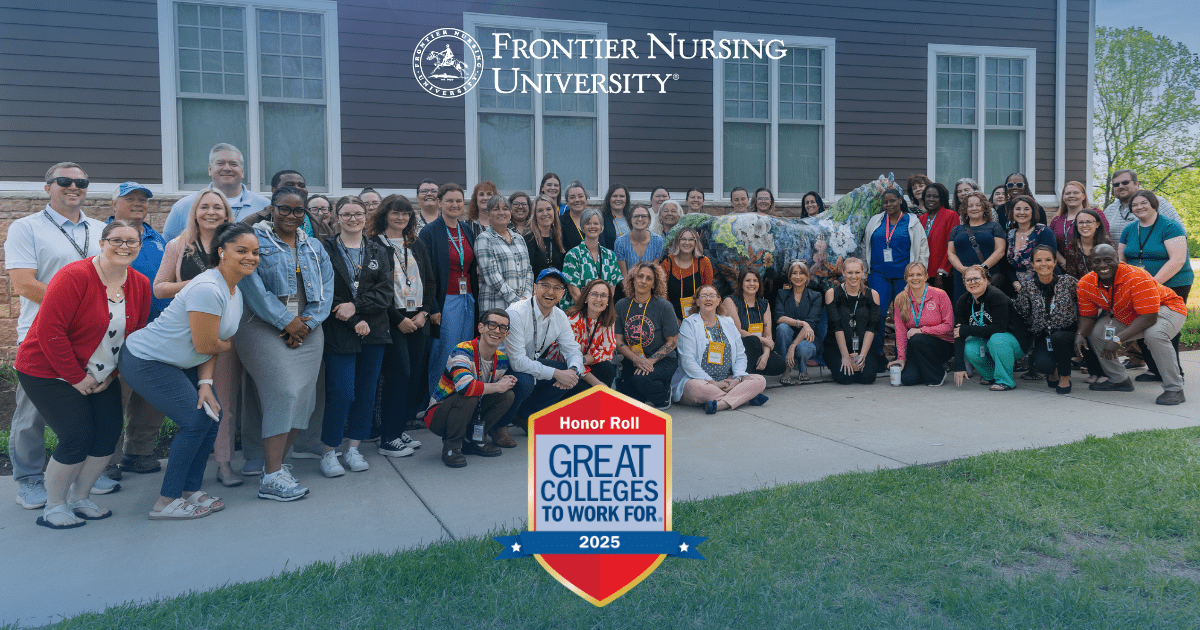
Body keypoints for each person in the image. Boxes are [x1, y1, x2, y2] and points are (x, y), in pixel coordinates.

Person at [14, 220, 151, 528]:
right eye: (116, 240)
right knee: (76, 436)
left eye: (132, 241)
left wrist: (111, 375)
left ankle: (81, 498)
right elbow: (51, 331)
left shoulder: (140, 283)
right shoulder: (74, 276)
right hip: (48, 370)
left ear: (139, 248)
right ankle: (55, 506)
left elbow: (135, 335)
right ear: (102, 243)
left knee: (106, 435)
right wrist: (76, 377)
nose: (124, 246)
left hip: (102, 375)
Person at [120, 222, 257, 520]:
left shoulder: (234, 290)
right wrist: (224, 346)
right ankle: (165, 502)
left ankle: (188, 491)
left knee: (212, 414)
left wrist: (206, 382)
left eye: (255, 252)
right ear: (221, 252)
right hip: (145, 358)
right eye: (241, 250)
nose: (251, 257)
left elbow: (212, 343)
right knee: (195, 421)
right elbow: (208, 342)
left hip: (177, 361)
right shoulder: (208, 288)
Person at [6, 162, 110, 509]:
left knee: (92, 405)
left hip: (93, 339)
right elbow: (23, 283)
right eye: (64, 181)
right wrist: (77, 306)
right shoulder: (27, 228)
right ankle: (30, 480)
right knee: (32, 413)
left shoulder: (100, 229)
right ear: (47, 186)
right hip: (40, 335)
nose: (73, 186)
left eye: (82, 182)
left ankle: (85, 475)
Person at [236, 186, 333, 501]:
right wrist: (286, 322)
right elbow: (251, 287)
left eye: (298, 210)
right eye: (284, 209)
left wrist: (306, 323)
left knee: (303, 400)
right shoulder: (254, 241)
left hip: (307, 328)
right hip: (261, 327)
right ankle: (272, 477)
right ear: (271, 208)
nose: (291, 215)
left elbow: (327, 287)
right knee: (284, 393)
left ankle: (273, 468)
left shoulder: (314, 245)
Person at [154, 188, 244, 486]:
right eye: (204, 206)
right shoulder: (177, 246)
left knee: (223, 400)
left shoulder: (234, 245)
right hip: (184, 335)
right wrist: (198, 284)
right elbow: (159, 288)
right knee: (192, 402)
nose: (211, 212)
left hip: (221, 335)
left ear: (227, 213)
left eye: (218, 207)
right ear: (194, 211)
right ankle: (192, 462)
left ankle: (224, 462)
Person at [317, 197, 393, 478]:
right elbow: (323, 290)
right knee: (341, 392)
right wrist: (352, 318)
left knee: (365, 391)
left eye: (358, 213)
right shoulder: (324, 249)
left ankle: (354, 448)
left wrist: (358, 308)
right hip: (339, 331)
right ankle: (329, 451)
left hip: (374, 330)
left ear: (366, 216)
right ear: (336, 217)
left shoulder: (378, 249)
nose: (353, 219)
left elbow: (385, 291)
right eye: (346, 214)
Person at [103, 183, 170, 483]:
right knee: (113, 398)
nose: (138, 203)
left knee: (152, 395)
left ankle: (139, 452)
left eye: (143, 199)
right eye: (130, 199)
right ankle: (106, 459)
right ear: (114, 203)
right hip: (116, 331)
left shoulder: (158, 239)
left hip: (156, 331)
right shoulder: (103, 236)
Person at [1076, 244, 1186, 405]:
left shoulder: (1136, 276)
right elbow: (1088, 316)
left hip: (1166, 308)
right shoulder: (1086, 284)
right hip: (1128, 313)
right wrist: (1080, 334)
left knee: (1154, 334)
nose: (1102, 265)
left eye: (1108, 260)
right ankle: (1119, 380)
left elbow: (1148, 318)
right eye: (1096, 261)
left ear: (1118, 260)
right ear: (1090, 263)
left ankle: (1174, 388)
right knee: (1096, 333)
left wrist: (1117, 340)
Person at [373, 195, 435, 457]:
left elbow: (430, 280)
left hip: (418, 317)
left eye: (406, 214)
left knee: (413, 378)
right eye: (395, 213)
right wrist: (398, 319)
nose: (401, 218)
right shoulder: (374, 244)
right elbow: (373, 287)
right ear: (384, 214)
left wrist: (424, 313)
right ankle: (388, 438)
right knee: (399, 376)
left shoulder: (416, 243)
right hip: (392, 319)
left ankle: (398, 431)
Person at [424, 309, 517, 467]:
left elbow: (492, 390)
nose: (497, 331)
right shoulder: (462, 349)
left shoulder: (501, 359)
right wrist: (497, 386)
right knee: (470, 394)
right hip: (439, 415)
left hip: (471, 410)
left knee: (507, 395)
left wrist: (506, 381)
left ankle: (476, 440)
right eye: (492, 325)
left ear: (507, 335)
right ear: (481, 328)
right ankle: (451, 447)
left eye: (503, 328)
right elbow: (465, 387)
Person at [500, 269, 585, 442]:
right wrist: (557, 374)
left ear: (562, 293)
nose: (550, 292)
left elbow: (573, 350)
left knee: (571, 374)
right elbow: (516, 362)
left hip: (529, 363)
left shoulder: (560, 316)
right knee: (525, 381)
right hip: (503, 367)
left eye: (556, 288)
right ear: (534, 288)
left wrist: (574, 370)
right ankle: (499, 426)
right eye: (545, 286)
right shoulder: (516, 312)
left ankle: (525, 415)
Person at [1118, 189, 1192, 384]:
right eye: (1135, 205)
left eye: (1144, 203)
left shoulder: (1170, 226)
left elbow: (1178, 260)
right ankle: (1154, 369)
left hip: (1173, 283)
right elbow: (1121, 259)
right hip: (1140, 287)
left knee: (1165, 329)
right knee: (1142, 324)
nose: (1139, 207)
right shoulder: (1130, 230)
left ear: (1154, 204)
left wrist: (1151, 283)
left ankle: (1175, 373)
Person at [420, 182, 480, 398]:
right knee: (444, 352)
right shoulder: (429, 232)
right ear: (439, 203)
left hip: (468, 299)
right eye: (449, 201)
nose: (455, 205)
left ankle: (459, 398)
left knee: (464, 351)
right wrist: (433, 307)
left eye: (458, 201)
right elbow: (425, 273)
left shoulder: (466, 229)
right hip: (446, 301)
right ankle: (436, 402)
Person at [672, 285, 769, 413]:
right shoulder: (689, 323)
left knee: (759, 380)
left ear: (718, 301)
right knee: (695, 388)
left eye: (712, 296)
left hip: (727, 379)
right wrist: (713, 382)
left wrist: (736, 379)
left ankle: (721, 404)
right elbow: (687, 361)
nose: (708, 299)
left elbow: (740, 355)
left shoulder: (728, 322)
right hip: (700, 381)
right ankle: (745, 398)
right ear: (697, 301)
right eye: (704, 296)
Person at [862, 189, 930, 366]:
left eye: (893, 201)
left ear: (900, 201)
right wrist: (864, 271)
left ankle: (904, 356)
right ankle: (877, 355)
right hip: (878, 275)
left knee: (905, 315)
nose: (889, 205)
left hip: (905, 277)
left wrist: (920, 273)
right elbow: (865, 245)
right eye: (885, 202)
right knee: (877, 313)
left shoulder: (912, 222)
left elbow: (922, 248)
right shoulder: (875, 221)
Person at [163, 143, 269, 240]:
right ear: (210, 169)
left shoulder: (265, 206)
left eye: (233, 164)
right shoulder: (183, 207)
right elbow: (167, 249)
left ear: (242, 171)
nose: (227, 168)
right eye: (220, 163)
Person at [1012, 246, 1079, 394]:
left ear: (1055, 262)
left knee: (1059, 338)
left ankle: (1064, 377)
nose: (1044, 264)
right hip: (1044, 335)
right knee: (1041, 364)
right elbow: (1022, 311)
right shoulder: (1028, 286)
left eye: (1048, 260)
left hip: (1067, 332)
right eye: (1038, 260)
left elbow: (1084, 302)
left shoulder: (1067, 281)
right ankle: (1052, 370)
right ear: (1033, 265)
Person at [614, 262, 680, 409]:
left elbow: (672, 342)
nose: (643, 281)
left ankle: (663, 394)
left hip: (662, 360)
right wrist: (636, 359)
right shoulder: (621, 305)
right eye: (640, 276)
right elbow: (618, 341)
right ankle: (645, 391)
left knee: (640, 380)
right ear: (632, 279)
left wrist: (649, 362)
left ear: (654, 284)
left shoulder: (664, 306)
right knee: (626, 397)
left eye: (649, 278)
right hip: (633, 359)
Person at [951, 265, 1025, 391]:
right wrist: (959, 366)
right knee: (969, 347)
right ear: (964, 283)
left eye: (976, 278)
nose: (972, 282)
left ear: (986, 280)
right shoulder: (963, 301)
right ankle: (990, 376)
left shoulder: (996, 296)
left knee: (997, 339)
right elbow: (959, 333)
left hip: (1014, 342)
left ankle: (1005, 380)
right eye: (968, 280)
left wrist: (967, 330)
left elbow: (999, 328)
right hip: (987, 341)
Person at [888, 262, 955, 386]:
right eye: (911, 275)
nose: (915, 278)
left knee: (918, 338)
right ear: (906, 278)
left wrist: (922, 330)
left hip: (943, 344)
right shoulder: (900, 299)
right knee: (908, 380)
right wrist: (901, 358)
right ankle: (926, 370)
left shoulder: (940, 294)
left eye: (919, 274)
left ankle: (938, 374)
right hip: (917, 346)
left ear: (926, 276)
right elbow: (901, 330)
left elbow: (948, 326)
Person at [824, 258, 881, 385]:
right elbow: (836, 326)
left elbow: (872, 327)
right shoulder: (832, 293)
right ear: (843, 273)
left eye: (857, 272)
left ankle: (860, 362)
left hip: (862, 345)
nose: (853, 276)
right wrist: (845, 356)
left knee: (867, 378)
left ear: (863, 273)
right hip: (837, 346)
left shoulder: (873, 295)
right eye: (850, 273)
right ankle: (837, 362)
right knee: (845, 378)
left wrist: (863, 355)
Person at [720, 267, 786, 377]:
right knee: (753, 340)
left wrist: (765, 355)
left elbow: (768, 335)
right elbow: (737, 331)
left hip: (758, 347)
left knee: (779, 365)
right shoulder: (730, 301)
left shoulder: (764, 304)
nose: (752, 284)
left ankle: (751, 373)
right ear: (741, 283)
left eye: (755, 281)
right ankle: (741, 377)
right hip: (737, 348)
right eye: (747, 280)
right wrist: (763, 339)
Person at [475, 196, 533, 312]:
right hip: (496, 309)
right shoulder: (484, 239)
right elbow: (492, 277)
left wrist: (526, 297)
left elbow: (529, 270)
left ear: (510, 212)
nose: (501, 213)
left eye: (505, 209)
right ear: (488, 214)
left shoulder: (519, 238)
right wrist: (517, 301)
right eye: (496, 209)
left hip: (521, 309)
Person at [946, 191, 1006, 302]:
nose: (974, 208)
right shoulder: (957, 229)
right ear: (965, 209)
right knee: (963, 309)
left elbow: (1000, 250)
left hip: (987, 276)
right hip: (963, 278)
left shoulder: (994, 226)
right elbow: (951, 253)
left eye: (978, 205)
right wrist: (963, 270)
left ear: (984, 208)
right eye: (970, 206)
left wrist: (982, 268)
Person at [563, 278, 619, 395]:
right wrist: (597, 383)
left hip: (586, 364)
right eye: (594, 294)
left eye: (604, 295)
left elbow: (607, 352)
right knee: (584, 388)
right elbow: (571, 360)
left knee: (607, 369)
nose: (599, 299)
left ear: (608, 300)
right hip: (566, 368)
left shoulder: (608, 320)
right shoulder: (573, 321)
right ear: (586, 298)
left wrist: (589, 358)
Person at [561, 208, 622, 311]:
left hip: (602, 312)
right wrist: (591, 313)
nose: (592, 226)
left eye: (596, 223)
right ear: (582, 227)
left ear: (601, 227)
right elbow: (575, 293)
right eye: (588, 223)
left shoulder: (610, 256)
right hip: (578, 312)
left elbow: (611, 291)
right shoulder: (573, 255)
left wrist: (600, 311)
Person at [774, 261, 823, 384]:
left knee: (803, 348)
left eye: (801, 273)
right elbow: (778, 317)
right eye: (794, 273)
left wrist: (793, 345)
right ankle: (786, 368)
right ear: (790, 277)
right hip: (785, 337)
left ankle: (802, 367)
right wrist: (802, 323)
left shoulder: (815, 296)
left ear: (807, 277)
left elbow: (811, 322)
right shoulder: (782, 294)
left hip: (807, 339)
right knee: (782, 327)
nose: (797, 276)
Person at [1103, 169, 1186, 239]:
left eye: (1125, 182)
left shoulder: (1157, 203)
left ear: (1136, 183)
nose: (1120, 186)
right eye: (1116, 184)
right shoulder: (1109, 210)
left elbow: (1179, 233)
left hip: (1155, 257)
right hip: (1119, 257)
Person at [1005, 194, 1057, 294]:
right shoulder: (1010, 235)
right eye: (1018, 209)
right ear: (1012, 212)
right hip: (1016, 287)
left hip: (1043, 285)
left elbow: (1048, 263)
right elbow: (1007, 266)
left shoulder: (1043, 232)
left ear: (1033, 212)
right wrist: (1016, 284)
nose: (1021, 212)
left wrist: (1030, 287)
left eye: (1026, 209)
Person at [660, 227, 714, 321]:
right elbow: (662, 293)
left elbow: (708, 292)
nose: (687, 243)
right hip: (671, 315)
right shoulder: (667, 263)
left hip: (699, 316)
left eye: (691, 240)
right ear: (677, 241)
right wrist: (672, 318)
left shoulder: (704, 262)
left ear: (696, 242)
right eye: (683, 239)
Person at [1050, 181, 1108, 252]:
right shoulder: (1056, 220)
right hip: (1063, 261)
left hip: (1092, 260)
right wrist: (1063, 262)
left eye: (1076, 193)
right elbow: (1050, 244)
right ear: (1063, 197)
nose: (1071, 195)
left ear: (1083, 196)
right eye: (1068, 193)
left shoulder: (1096, 214)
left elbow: (1105, 237)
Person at [920, 183, 958, 290]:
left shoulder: (950, 215)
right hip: (924, 272)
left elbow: (952, 246)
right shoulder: (922, 219)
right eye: (928, 196)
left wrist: (942, 271)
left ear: (942, 198)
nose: (931, 199)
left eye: (935, 196)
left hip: (942, 274)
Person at [614, 206, 665, 276]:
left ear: (649, 220)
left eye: (644, 216)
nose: (640, 219)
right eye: (636, 216)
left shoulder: (658, 241)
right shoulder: (620, 242)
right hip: (628, 284)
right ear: (630, 219)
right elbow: (624, 275)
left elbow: (654, 272)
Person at [525, 194, 565, 279]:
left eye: (548, 209)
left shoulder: (558, 237)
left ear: (554, 211)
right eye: (540, 210)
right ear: (534, 215)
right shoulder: (528, 239)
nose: (545, 213)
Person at [600, 183, 632, 248]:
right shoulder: (602, 218)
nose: (618, 199)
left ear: (626, 199)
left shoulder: (632, 217)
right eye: (614, 196)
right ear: (609, 199)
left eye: (622, 196)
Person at [561, 180, 589, 253]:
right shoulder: (560, 222)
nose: (577, 200)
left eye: (580, 196)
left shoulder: (595, 220)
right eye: (572, 197)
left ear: (586, 199)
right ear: (567, 201)